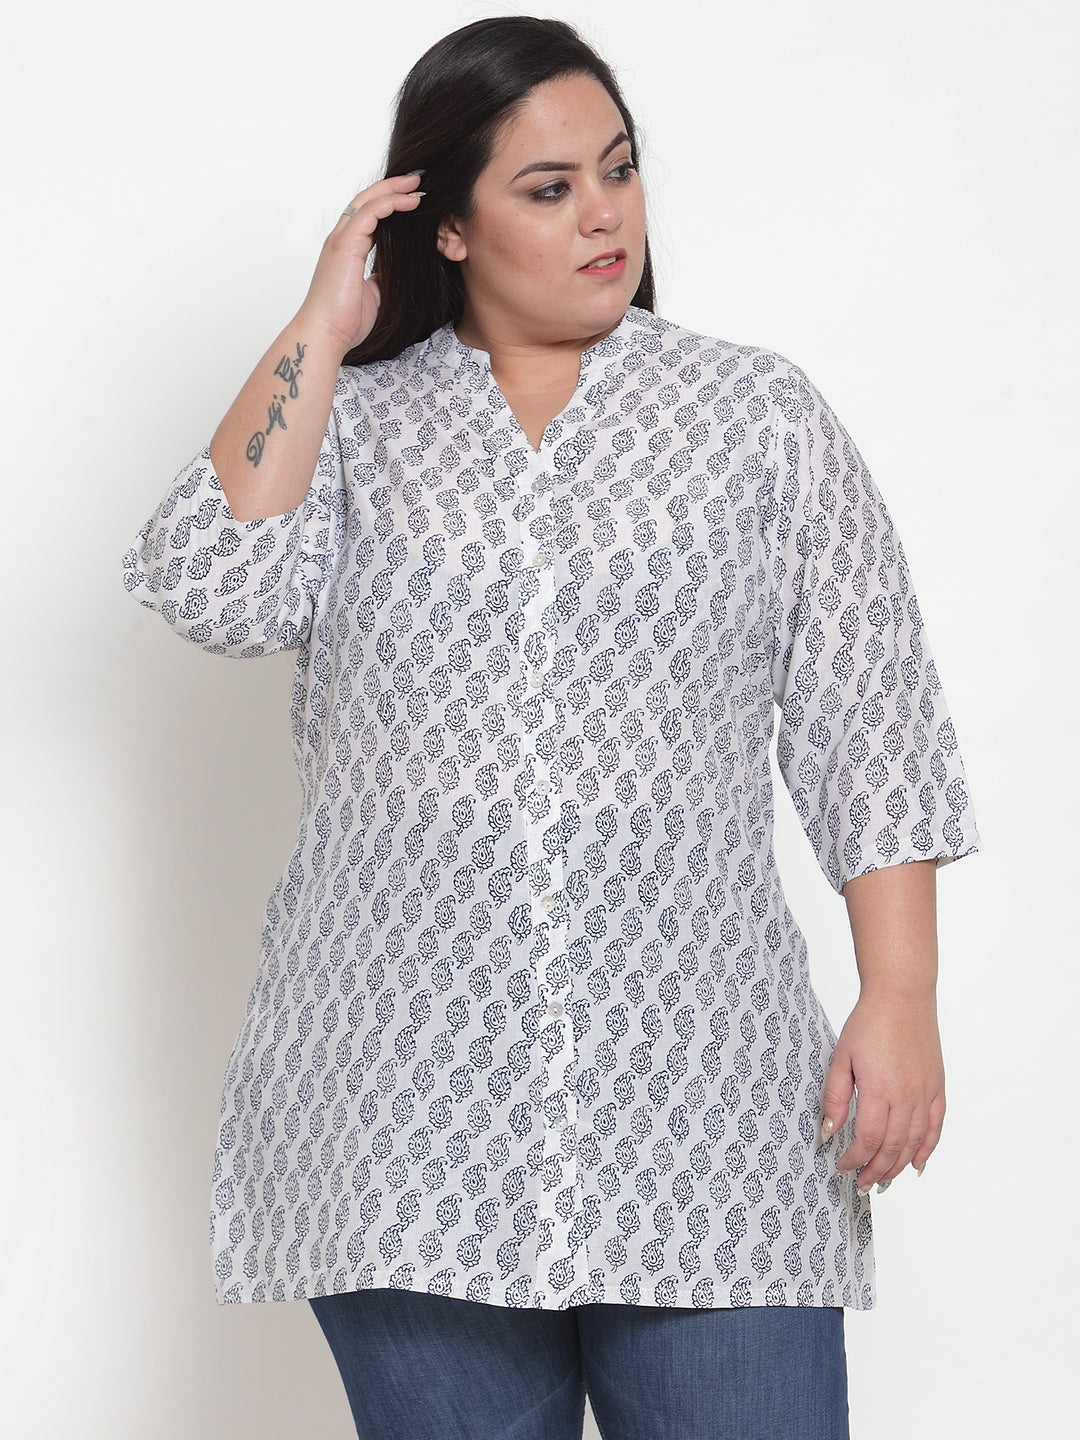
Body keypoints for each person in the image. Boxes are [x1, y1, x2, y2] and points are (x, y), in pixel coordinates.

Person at [124, 15, 979, 1439]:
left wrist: (900, 1002)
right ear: (447, 226)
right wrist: (321, 326)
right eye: (548, 187)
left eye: (619, 172)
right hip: (403, 1116)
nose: (604, 216)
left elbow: (872, 716)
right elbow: (215, 588)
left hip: (708, 1108)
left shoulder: (755, 419)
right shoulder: (353, 427)